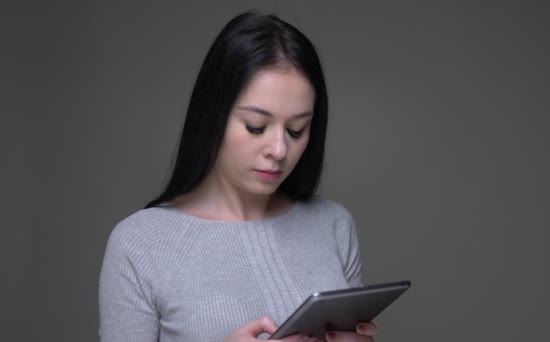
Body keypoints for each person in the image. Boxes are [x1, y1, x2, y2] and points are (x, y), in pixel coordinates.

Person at [99, 11, 377, 342]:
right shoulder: (139, 243)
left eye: (296, 129)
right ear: (213, 114)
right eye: (256, 127)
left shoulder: (333, 224)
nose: (279, 149)